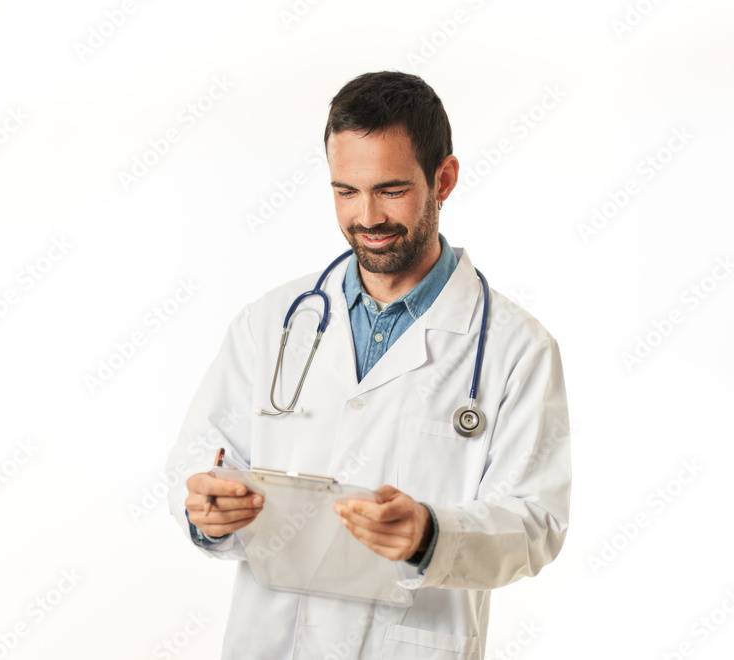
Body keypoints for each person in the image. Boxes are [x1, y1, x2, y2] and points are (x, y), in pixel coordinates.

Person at [165, 71, 570, 660]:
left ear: (444, 179)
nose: (368, 216)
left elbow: (536, 524)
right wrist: (205, 508)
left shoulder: (516, 348)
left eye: (392, 189)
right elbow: (200, 458)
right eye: (345, 191)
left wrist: (433, 535)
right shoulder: (271, 321)